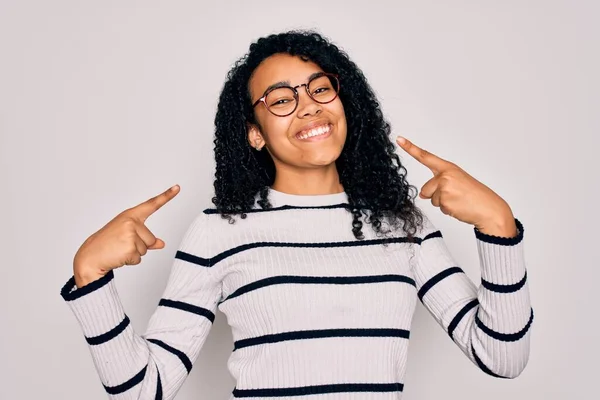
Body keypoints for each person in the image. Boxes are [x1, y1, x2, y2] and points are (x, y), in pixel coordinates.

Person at [60, 30, 533, 399]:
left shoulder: (402, 226)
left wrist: (498, 226)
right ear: (255, 134)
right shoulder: (218, 232)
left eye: (319, 89)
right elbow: (146, 388)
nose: (308, 107)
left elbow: (501, 357)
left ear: (344, 104)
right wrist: (90, 277)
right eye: (282, 99)